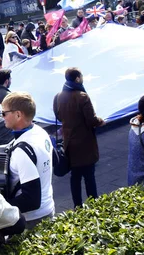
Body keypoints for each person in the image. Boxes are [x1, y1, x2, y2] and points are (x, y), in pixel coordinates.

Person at [53, 67, 105, 208]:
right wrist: (100, 121)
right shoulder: (82, 96)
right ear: (77, 78)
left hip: (69, 143)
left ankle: (77, 206)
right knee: (89, 176)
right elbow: (91, 120)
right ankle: (95, 205)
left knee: (75, 177)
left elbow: (58, 116)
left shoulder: (58, 96)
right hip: (85, 142)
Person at [1, 92, 54, 229]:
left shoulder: (22, 151)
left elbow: (31, 200)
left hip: (32, 220)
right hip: (48, 209)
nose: (2, 118)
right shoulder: (40, 132)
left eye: (4, 113)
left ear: (18, 114)